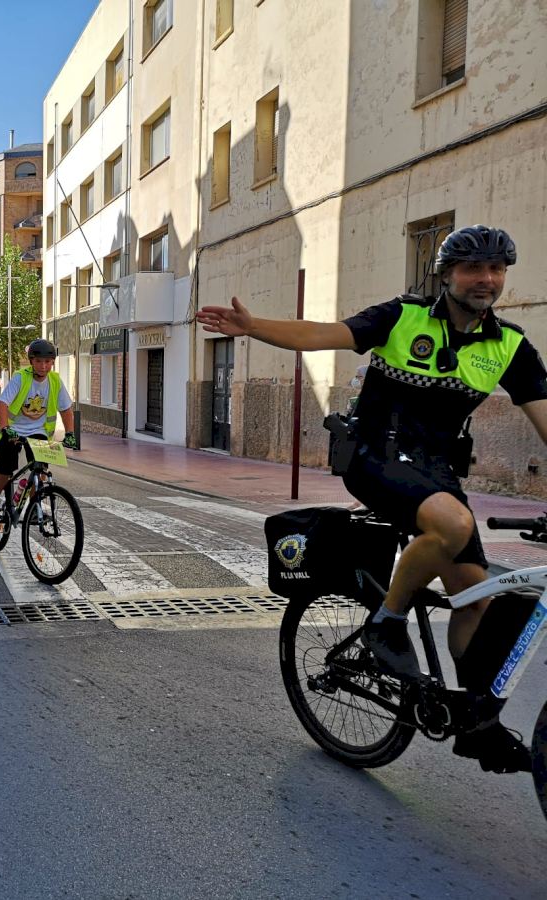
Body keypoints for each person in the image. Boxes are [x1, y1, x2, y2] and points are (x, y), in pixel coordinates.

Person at [195, 224, 547, 774]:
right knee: (453, 525)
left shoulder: (510, 346)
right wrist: (253, 326)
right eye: (473, 268)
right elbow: (323, 334)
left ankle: (478, 724)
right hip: (375, 455)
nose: (486, 279)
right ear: (447, 274)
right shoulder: (403, 317)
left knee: (478, 599)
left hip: (435, 472)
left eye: (497, 269)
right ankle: (387, 620)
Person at [0, 340, 78, 527]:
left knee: (40, 469)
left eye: (48, 362)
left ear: (52, 362)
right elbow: (2, 404)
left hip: (39, 432)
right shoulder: (21, 378)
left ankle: (34, 508)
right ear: (32, 361)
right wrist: (5, 428)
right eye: (39, 361)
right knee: (5, 469)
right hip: (13, 430)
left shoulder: (55, 381)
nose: (43, 366)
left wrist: (70, 433)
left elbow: (66, 409)